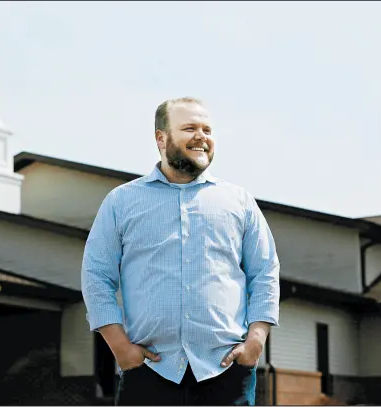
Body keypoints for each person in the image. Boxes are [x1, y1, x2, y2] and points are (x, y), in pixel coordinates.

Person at [81, 97, 280, 406]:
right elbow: (96, 276)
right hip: (149, 371)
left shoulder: (239, 201)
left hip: (226, 372)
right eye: (189, 128)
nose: (202, 136)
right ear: (161, 138)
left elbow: (265, 271)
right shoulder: (121, 202)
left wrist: (256, 339)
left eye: (207, 129)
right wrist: (120, 347)